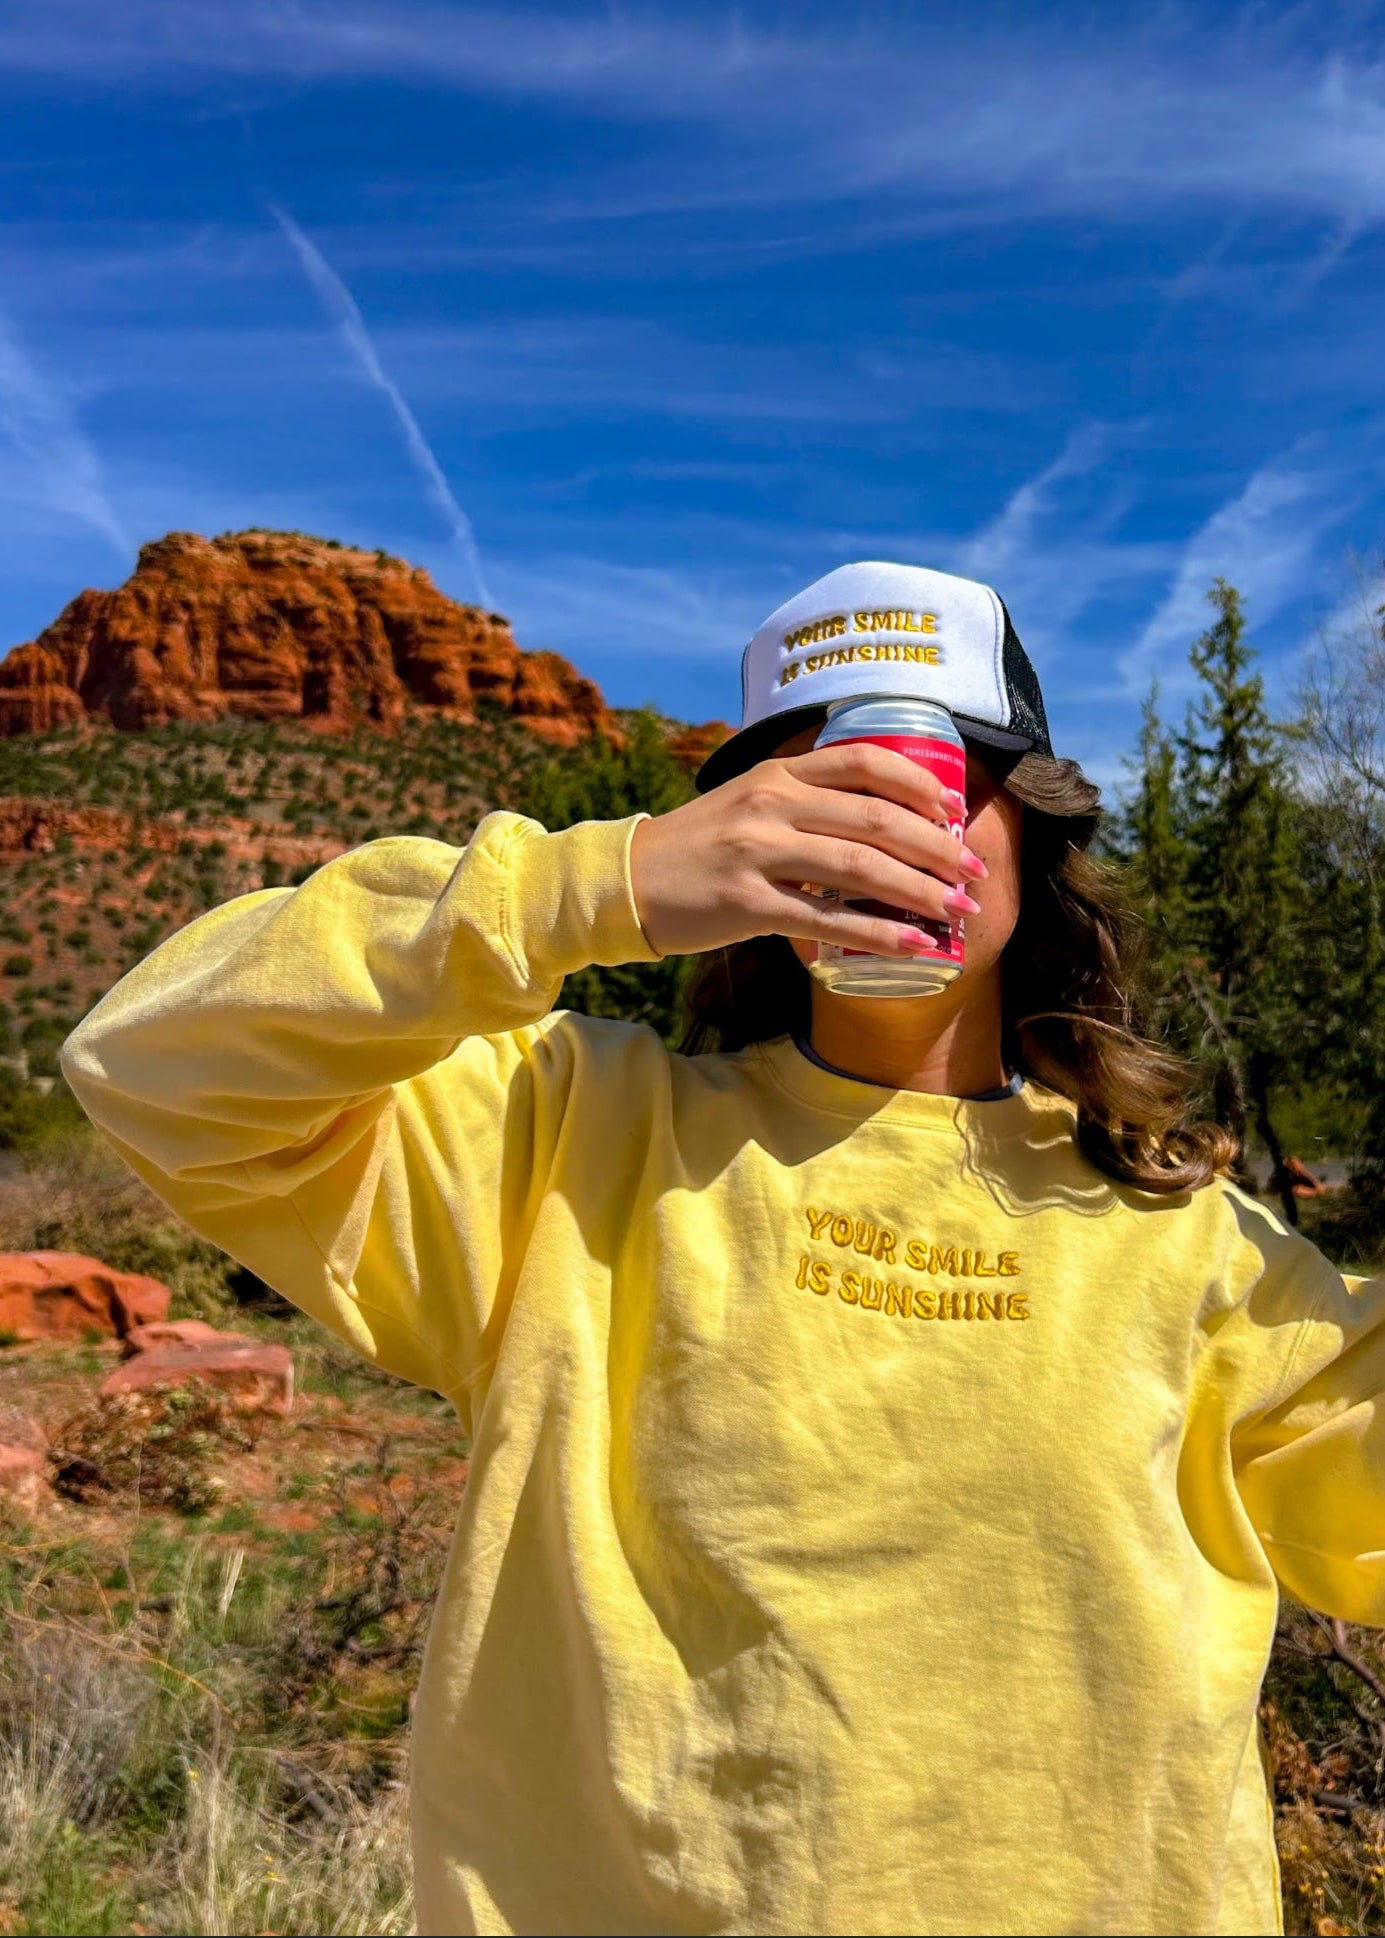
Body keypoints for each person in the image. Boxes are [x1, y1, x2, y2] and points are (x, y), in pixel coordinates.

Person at [62, 561, 1385, 1938]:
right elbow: (148, 1059)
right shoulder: (562, 1139)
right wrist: (599, 882)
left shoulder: (1190, 1242)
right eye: (822, 782)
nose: (884, 822)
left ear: (1033, 826)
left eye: (943, 772)